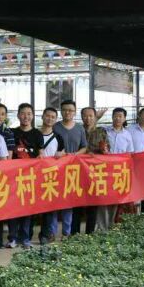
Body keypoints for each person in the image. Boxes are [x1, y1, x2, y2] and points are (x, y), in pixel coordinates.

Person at [8, 103, 44, 249]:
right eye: (23, 113)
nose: (26, 116)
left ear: (33, 116)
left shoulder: (37, 134)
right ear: (18, 115)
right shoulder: (12, 132)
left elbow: (41, 154)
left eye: (29, 114)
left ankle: (25, 238)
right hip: (14, 177)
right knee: (13, 208)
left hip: (30, 178)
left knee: (28, 209)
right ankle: (12, 238)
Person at [53, 100, 87, 239]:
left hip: (73, 170)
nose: (68, 112)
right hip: (56, 169)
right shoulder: (55, 127)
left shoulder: (79, 128)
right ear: (61, 111)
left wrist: (74, 155)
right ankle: (52, 232)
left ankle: (66, 233)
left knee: (69, 201)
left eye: (70, 110)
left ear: (74, 112)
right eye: (65, 110)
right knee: (54, 200)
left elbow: (84, 147)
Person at [97, 108, 133, 232]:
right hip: (105, 171)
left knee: (116, 199)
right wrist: (97, 117)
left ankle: (112, 225)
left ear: (124, 118)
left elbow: (130, 154)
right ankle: (102, 227)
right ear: (112, 117)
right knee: (103, 198)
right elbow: (91, 129)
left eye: (120, 116)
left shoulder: (127, 135)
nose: (118, 118)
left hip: (119, 172)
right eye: (115, 116)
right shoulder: (104, 131)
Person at [37, 107, 67, 245]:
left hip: (51, 177)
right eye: (47, 116)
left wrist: (62, 154)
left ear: (56, 120)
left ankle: (45, 234)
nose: (49, 118)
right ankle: (25, 235)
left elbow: (63, 153)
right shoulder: (34, 134)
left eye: (53, 117)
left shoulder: (58, 137)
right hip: (34, 176)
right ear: (42, 117)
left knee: (49, 207)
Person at [78, 107, 108, 234]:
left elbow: (107, 149)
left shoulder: (101, 131)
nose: (88, 118)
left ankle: (90, 232)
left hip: (96, 171)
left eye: (91, 116)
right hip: (79, 170)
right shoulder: (77, 129)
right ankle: (75, 232)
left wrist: (104, 150)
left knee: (93, 201)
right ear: (81, 117)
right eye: (85, 116)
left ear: (95, 117)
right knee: (77, 200)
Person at [0, 102, 17, 249]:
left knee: (2, 206)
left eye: (2, 114)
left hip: (2, 175)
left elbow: (9, 156)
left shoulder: (7, 133)